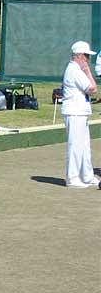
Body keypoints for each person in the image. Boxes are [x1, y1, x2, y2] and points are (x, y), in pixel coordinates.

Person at [61, 40, 98, 188]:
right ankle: (72, 178)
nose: (88, 60)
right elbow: (93, 88)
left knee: (84, 146)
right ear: (80, 56)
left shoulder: (76, 69)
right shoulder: (74, 71)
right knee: (75, 145)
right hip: (74, 112)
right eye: (87, 56)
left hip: (81, 112)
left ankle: (87, 176)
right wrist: (88, 71)